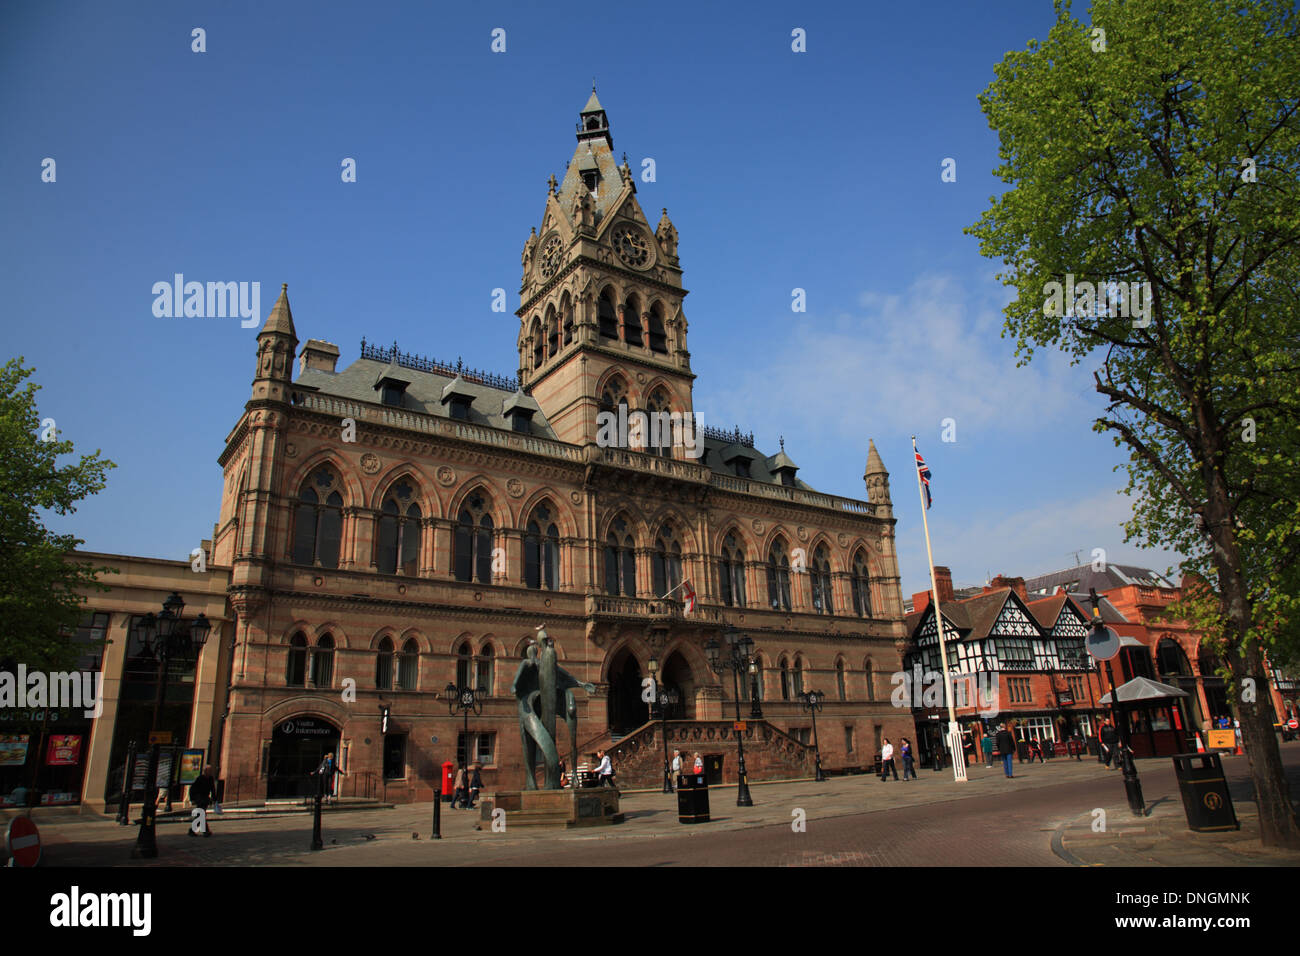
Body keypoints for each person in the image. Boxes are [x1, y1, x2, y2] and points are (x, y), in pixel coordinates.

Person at [188, 764, 217, 837]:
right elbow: (192, 789)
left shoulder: (210, 779)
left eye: (211, 770)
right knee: (201, 814)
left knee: (200, 815)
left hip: (205, 798)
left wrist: (214, 798)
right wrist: (192, 799)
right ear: (205, 771)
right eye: (209, 770)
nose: (210, 772)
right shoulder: (200, 778)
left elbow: (212, 789)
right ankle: (205, 831)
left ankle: (193, 830)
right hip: (199, 798)